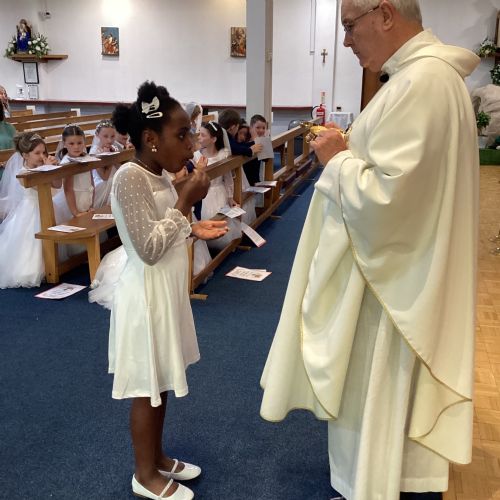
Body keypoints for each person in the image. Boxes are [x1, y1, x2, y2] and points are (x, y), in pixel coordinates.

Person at [260, 1, 479, 499]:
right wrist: (351, 145)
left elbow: (391, 198)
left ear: (384, 13)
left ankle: (372, 486)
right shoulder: (418, 79)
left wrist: (337, 159)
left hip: (388, 284)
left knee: (376, 392)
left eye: (349, 26)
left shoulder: (422, 82)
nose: (346, 41)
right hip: (398, 272)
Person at [107, 81, 227, 500]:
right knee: (147, 389)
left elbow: (162, 226)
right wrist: (186, 200)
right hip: (144, 298)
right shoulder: (129, 178)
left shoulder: (157, 175)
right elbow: (148, 248)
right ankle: (144, 474)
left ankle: (157, 457)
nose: (191, 143)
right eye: (182, 135)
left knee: (160, 384)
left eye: (191, 133)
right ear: (151, 138)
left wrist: (191, 226)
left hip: (164, 294)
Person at [0, 132, 60, 288]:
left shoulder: (42, 166)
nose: (42, 156)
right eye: (37, 153)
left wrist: (54, 169)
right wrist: (47, 168)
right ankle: (33, 269)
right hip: (31, 210)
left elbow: (57, 185)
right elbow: (41, 188)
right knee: (30, 243)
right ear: (25, 155)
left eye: (44, 152)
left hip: (48, 205)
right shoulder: (23, 173)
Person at [194, 120, 241, 250]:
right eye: (199, 134)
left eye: (203, 135)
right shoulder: (196, 156)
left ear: (213, 139)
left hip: (219, 191)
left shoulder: (222, 155)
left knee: (221, 218)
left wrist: (230, 197)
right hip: (203, 195)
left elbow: (228, 178)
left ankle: (222, 243)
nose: (199, 138)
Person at [53, 125, 94, 221]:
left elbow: (91, 182)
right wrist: (75, 213)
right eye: (71, 143)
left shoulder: (87, 158)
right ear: (64, 144)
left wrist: (91, 205)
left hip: (86, 199)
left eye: (79, 143)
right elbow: (68, 189)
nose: (76, 147)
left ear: (84, 142)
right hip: (73, 204)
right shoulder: (67, 163)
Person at [89, 119, 120, 207]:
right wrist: (110, 157)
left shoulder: (113, 148)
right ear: (97, 135)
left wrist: (115, 155)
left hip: (113, 178)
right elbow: (104, 177)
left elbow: (119, 167)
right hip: (102, 184)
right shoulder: (94, 152)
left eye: (112, 136)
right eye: (105, 136)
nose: (109, 140)